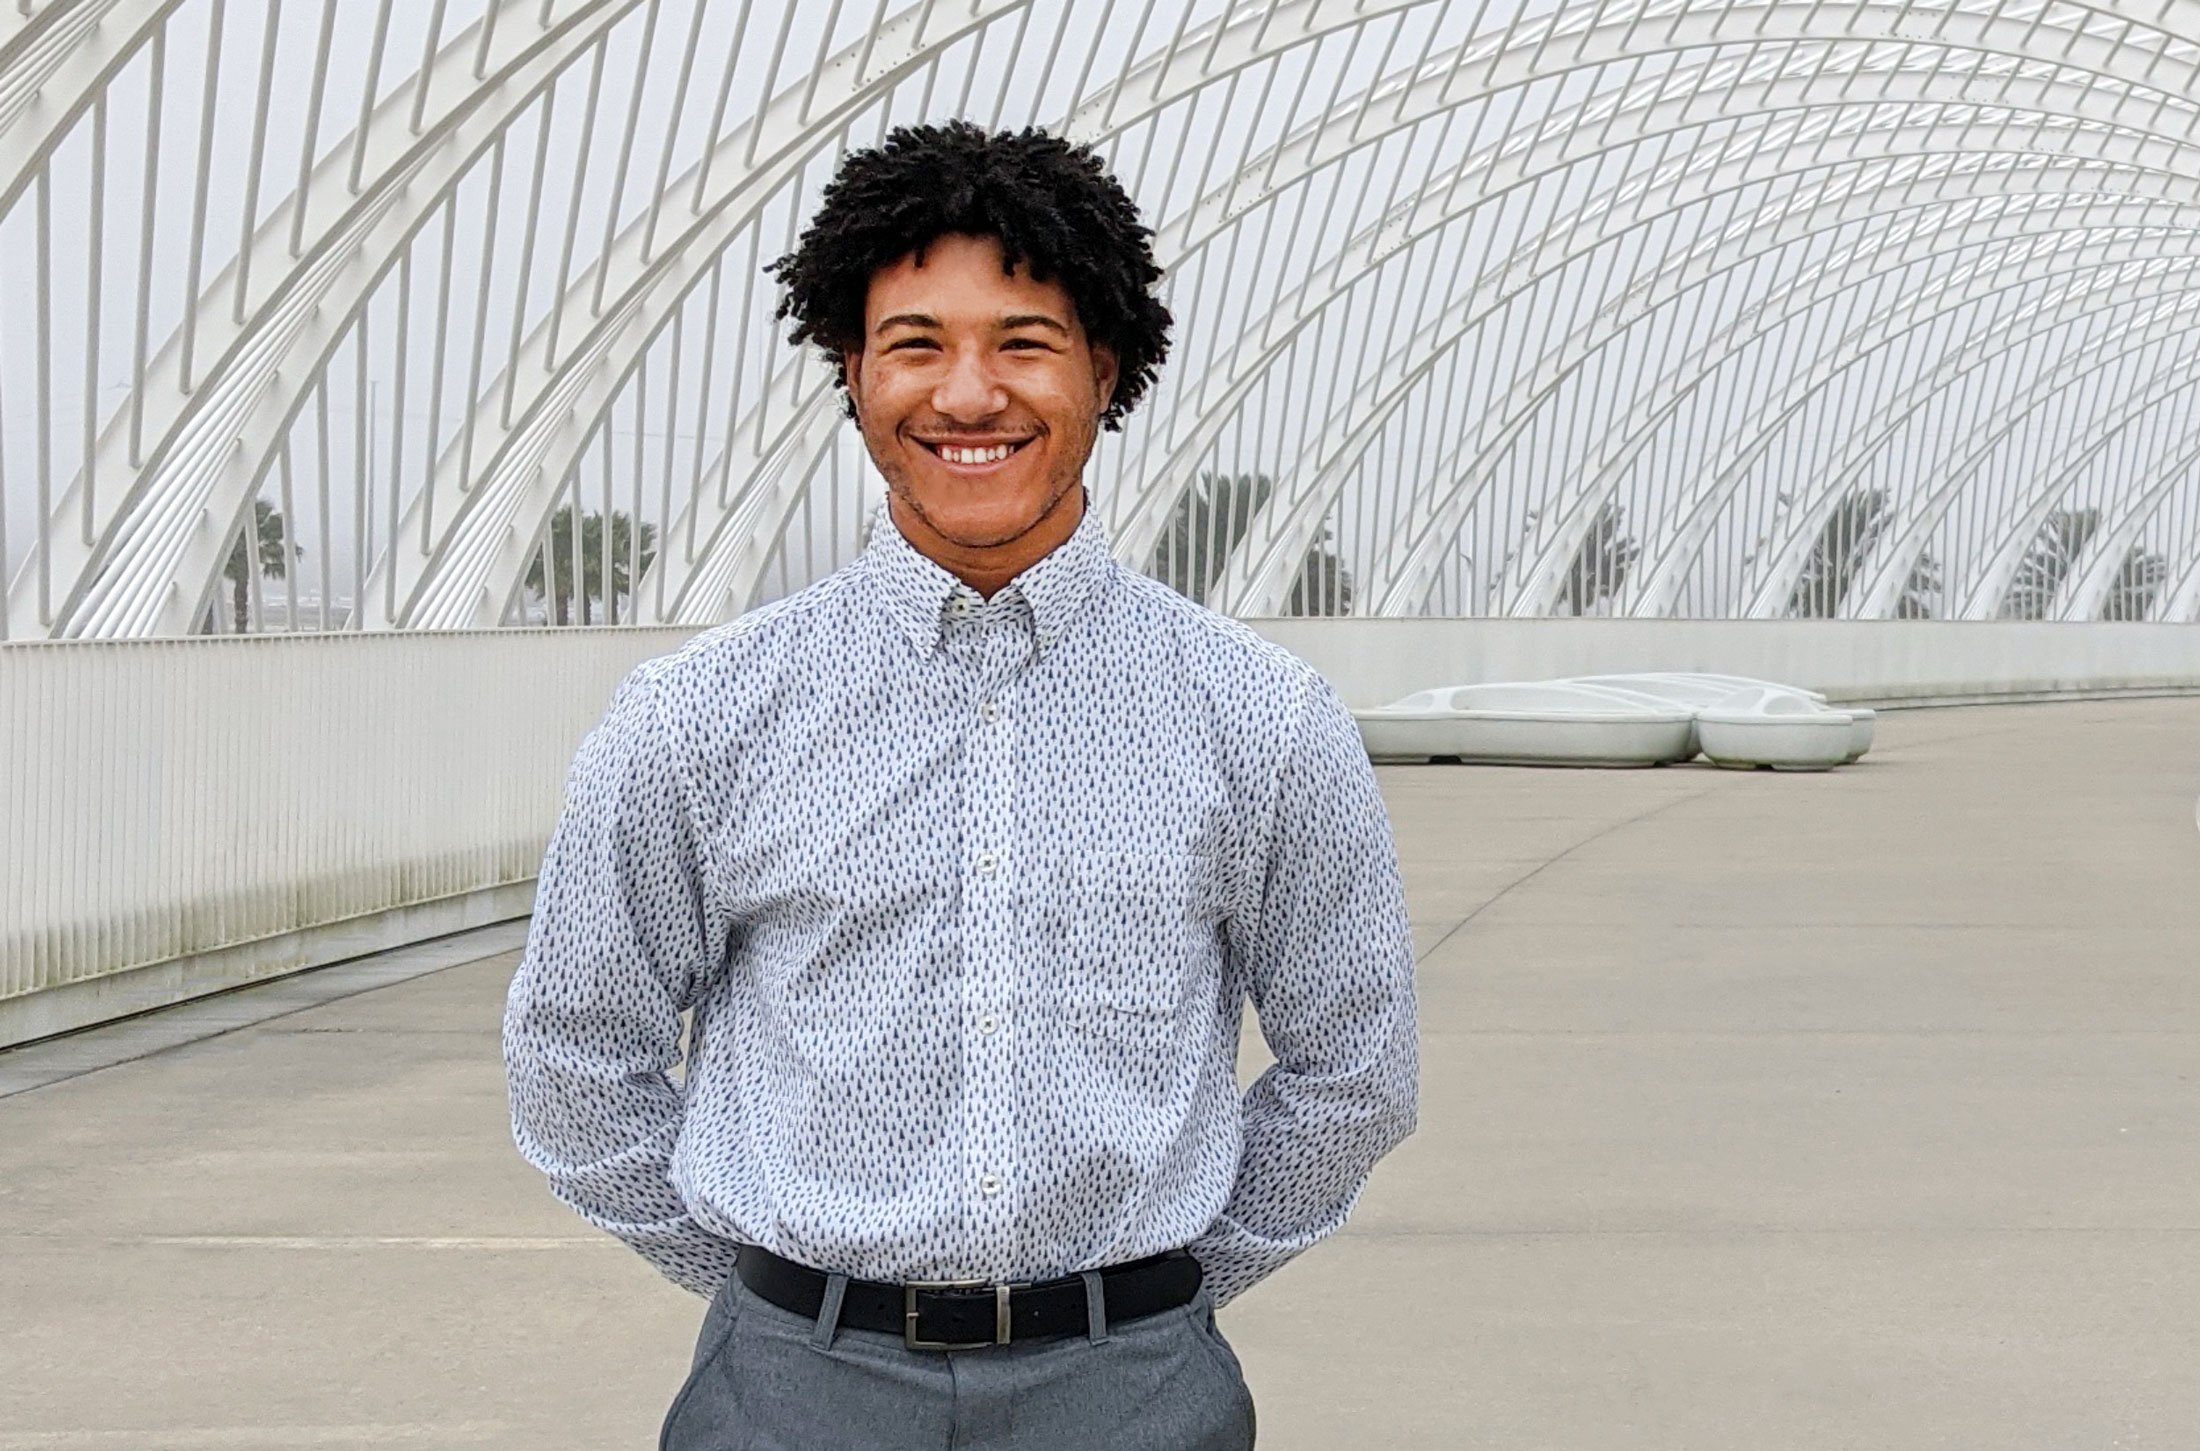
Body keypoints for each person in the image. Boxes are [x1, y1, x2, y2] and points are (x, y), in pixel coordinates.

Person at [503, 121, 1418, 1451]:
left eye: (1025, 343)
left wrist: (1155, 1299)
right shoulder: (699, 717)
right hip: (788, 1396)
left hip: (1133, 1396)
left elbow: (1355, 1072)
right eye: (918, 343)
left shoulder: (1260, 718)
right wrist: (779, 1295)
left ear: (1106, 370)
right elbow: (575, 1055)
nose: (969, 395)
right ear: (852, 371)